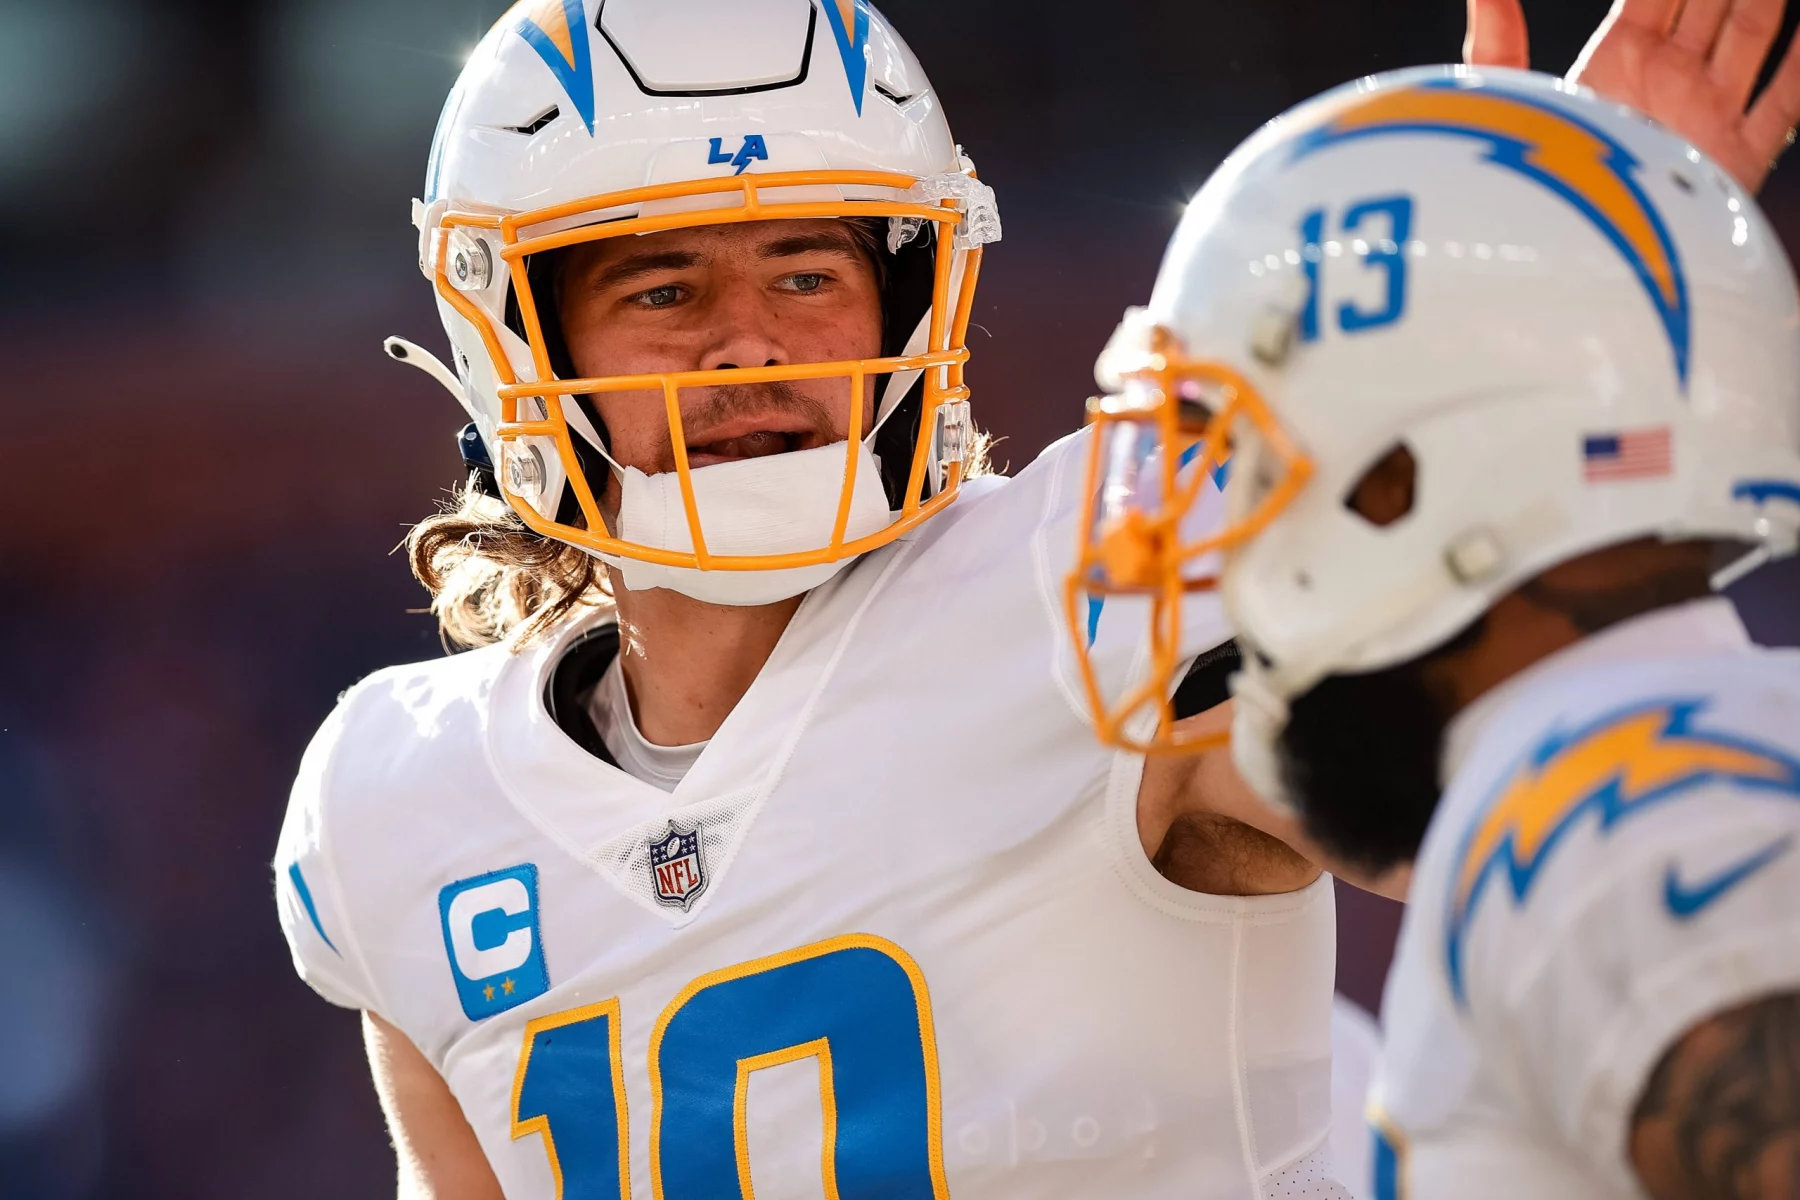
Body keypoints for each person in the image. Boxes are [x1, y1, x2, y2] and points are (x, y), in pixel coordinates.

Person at [273, 1, 1790, 1196]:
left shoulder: (1100, 574)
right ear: (517, 337)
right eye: (663, 291)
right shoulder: (396, 799)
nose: (749, 346)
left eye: (807, 274)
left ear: (915, 294)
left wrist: (1552, 314)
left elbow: (1571, 811)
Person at [1071, 32, 1800, 1200]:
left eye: (1246, 455)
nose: (1217, 531)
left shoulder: (1625, 812)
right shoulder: (1637, 772)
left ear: (1401, 474)